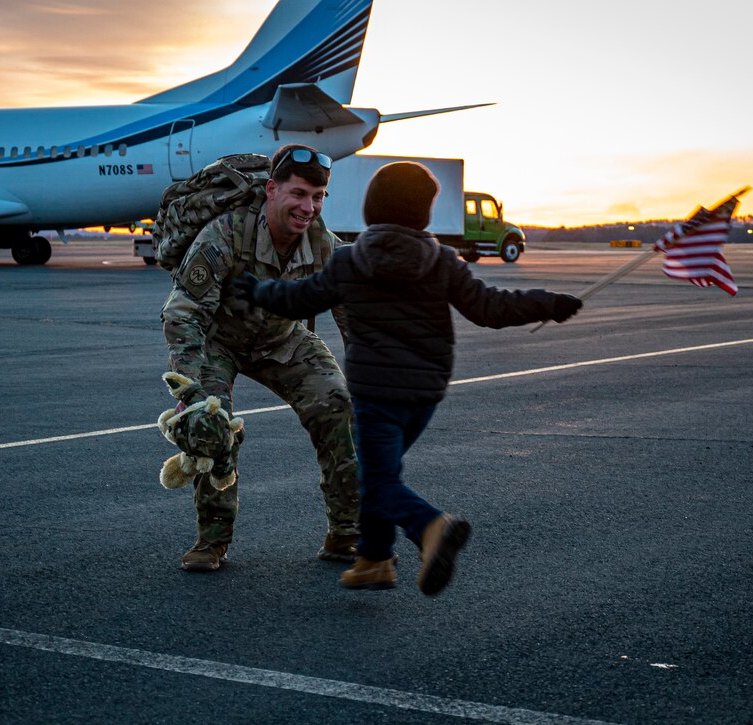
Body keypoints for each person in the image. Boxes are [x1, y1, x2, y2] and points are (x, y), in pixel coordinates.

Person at [234, 161, 582, 595]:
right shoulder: (442, 261)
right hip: (424, 394)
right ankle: (374, 559)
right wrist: (547, 302)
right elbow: (491, 307)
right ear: (425, 214)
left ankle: (431, 527)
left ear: (370, 209)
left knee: (376, 481)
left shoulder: (351, 259)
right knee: (382, 474)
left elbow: (299, 299)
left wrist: (258, 290)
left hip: (376, 394)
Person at [160, 144, 360, 572]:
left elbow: (351, 311)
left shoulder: (322, 241)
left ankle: (346, 533)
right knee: (211, 423)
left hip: (282, 339)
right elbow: (183, 314)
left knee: (337, 405)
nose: (309, 207)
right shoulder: (226, 233)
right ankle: (211, 542)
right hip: (220, 342)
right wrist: (189, 390)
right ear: (272, 189)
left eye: (318, 197)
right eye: (299, 194)